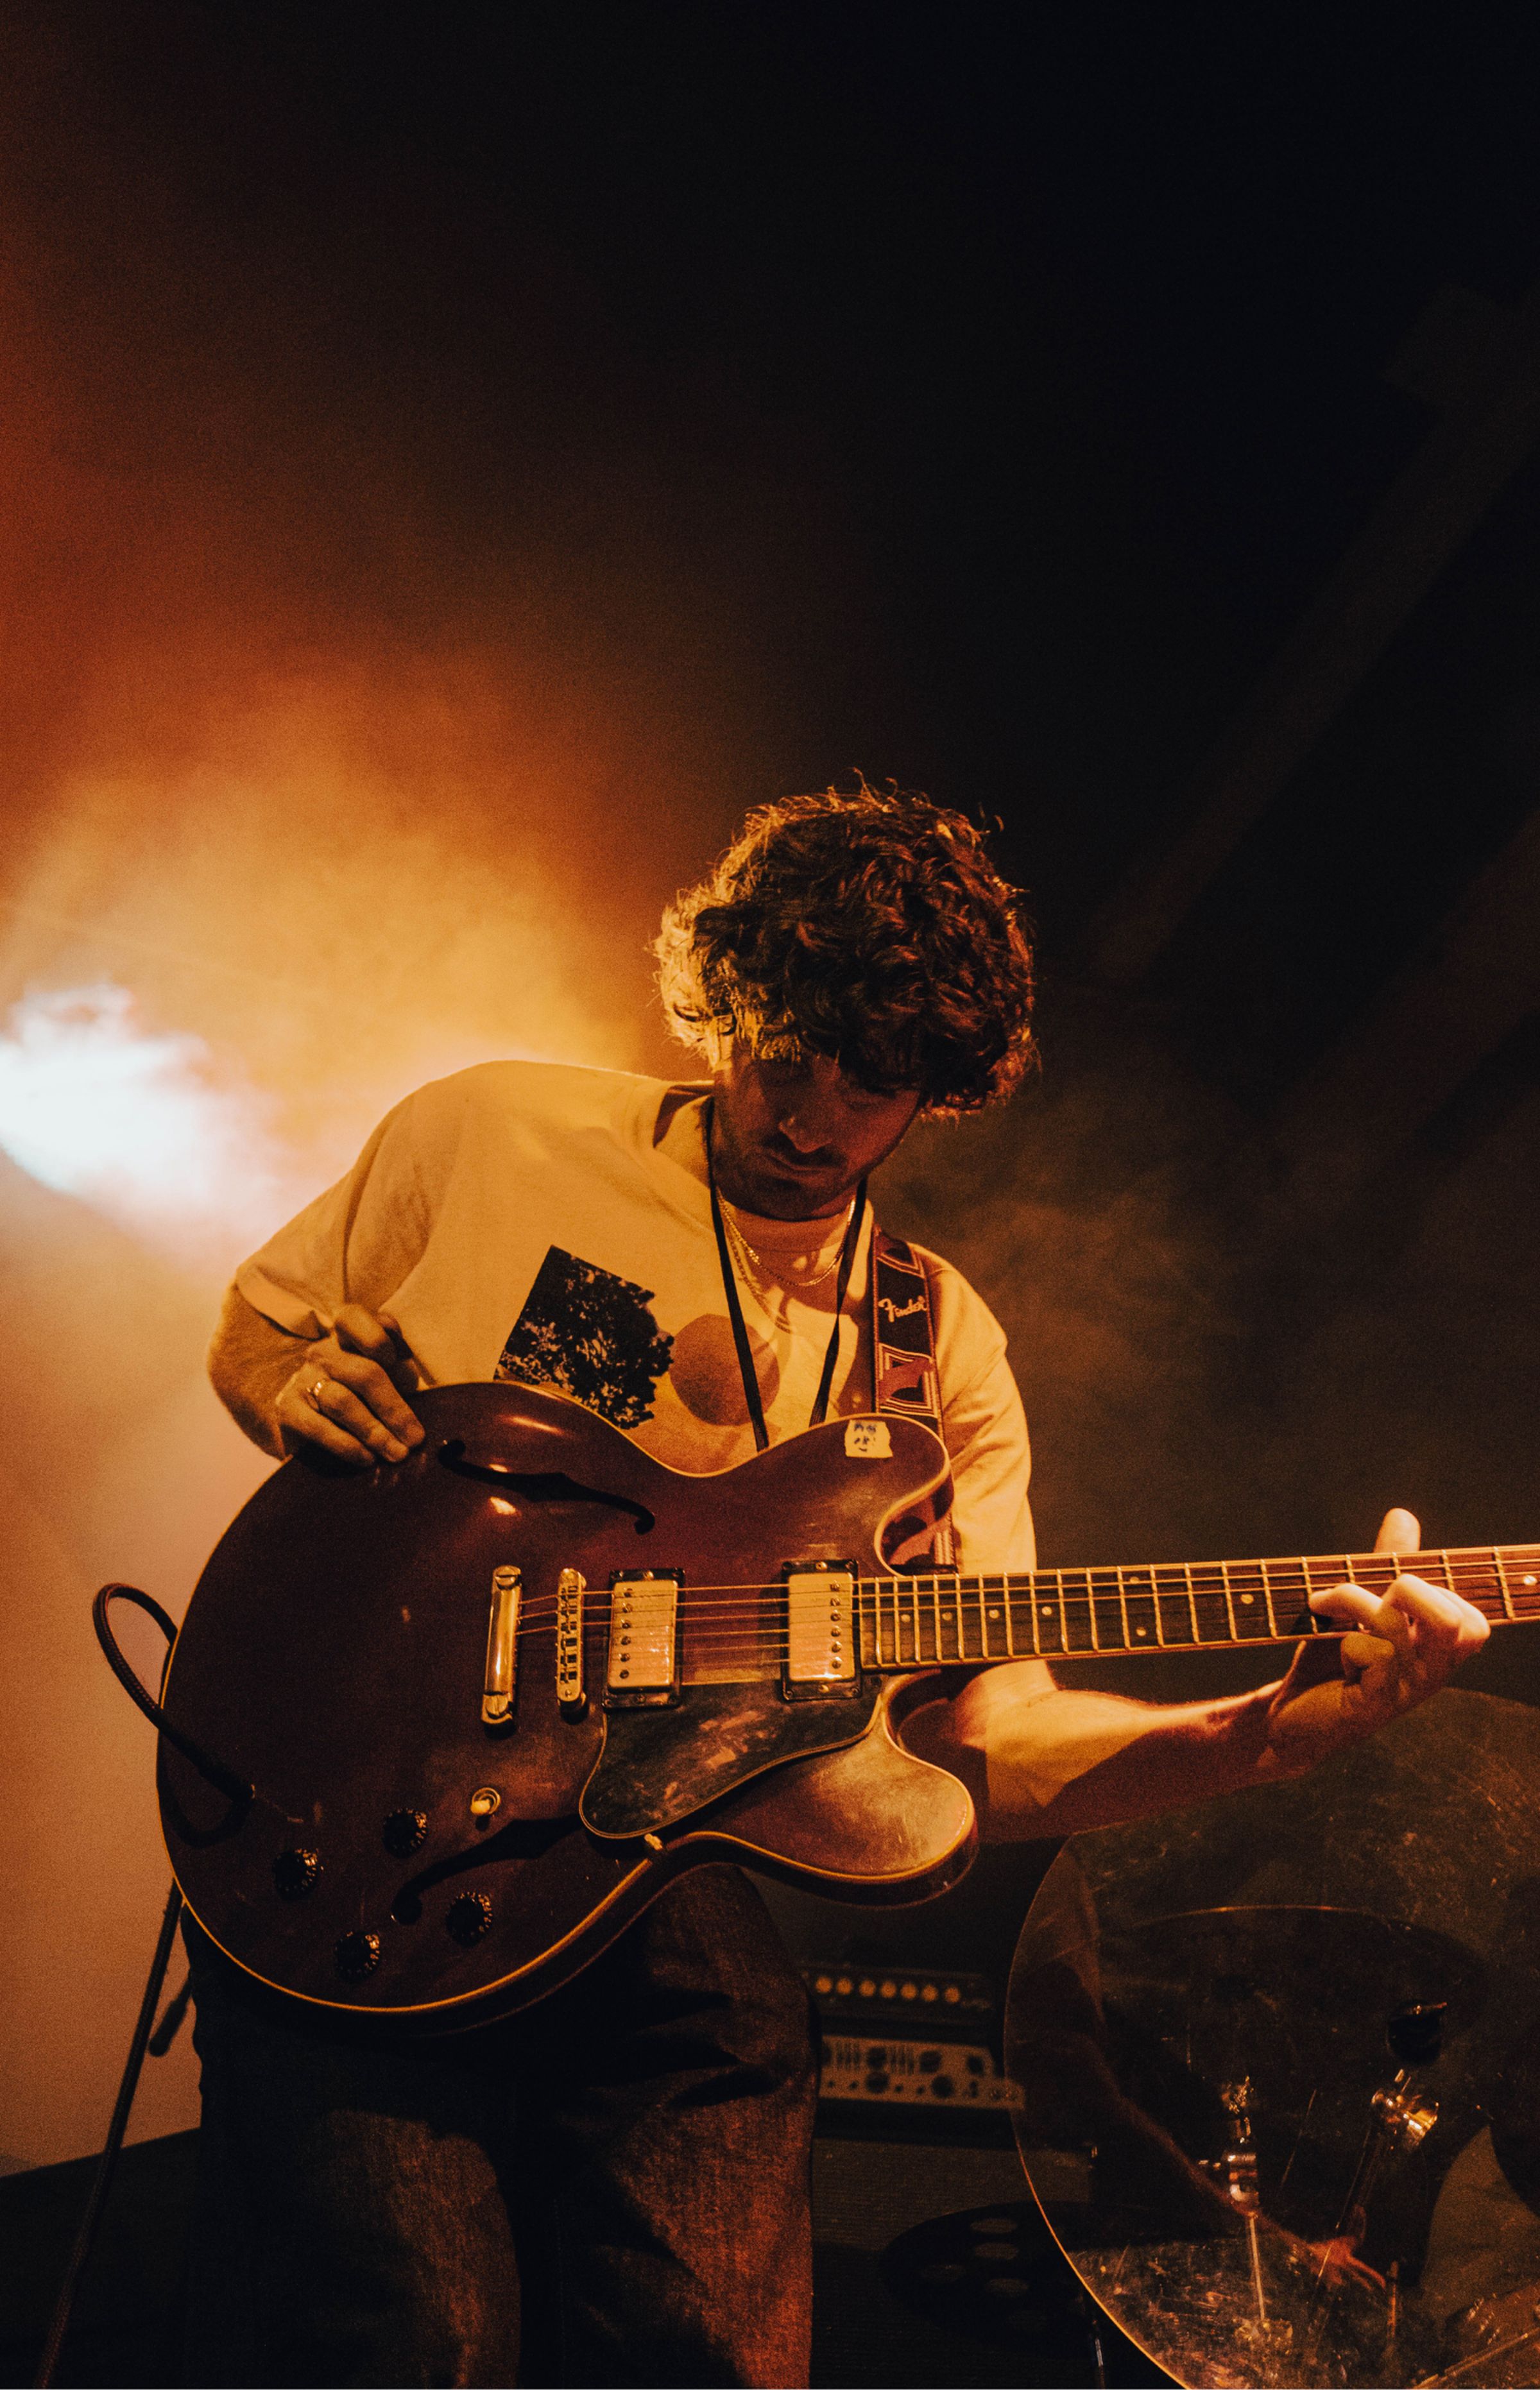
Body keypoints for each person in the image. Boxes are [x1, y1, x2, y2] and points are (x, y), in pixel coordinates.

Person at [196, 785, 1487, 2388]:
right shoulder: (492, 1130)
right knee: (409, 2345)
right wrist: (288, 1386)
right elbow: (260, 1333)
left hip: (661, 1891)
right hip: (360, 1830)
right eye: (779, 1053)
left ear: (936, 1098)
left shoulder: (936, 1352)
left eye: (866, 1088)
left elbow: (987, 1750)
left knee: (722, 2359)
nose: (805, 1117)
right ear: (722, 1001)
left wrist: (1265, 1732)